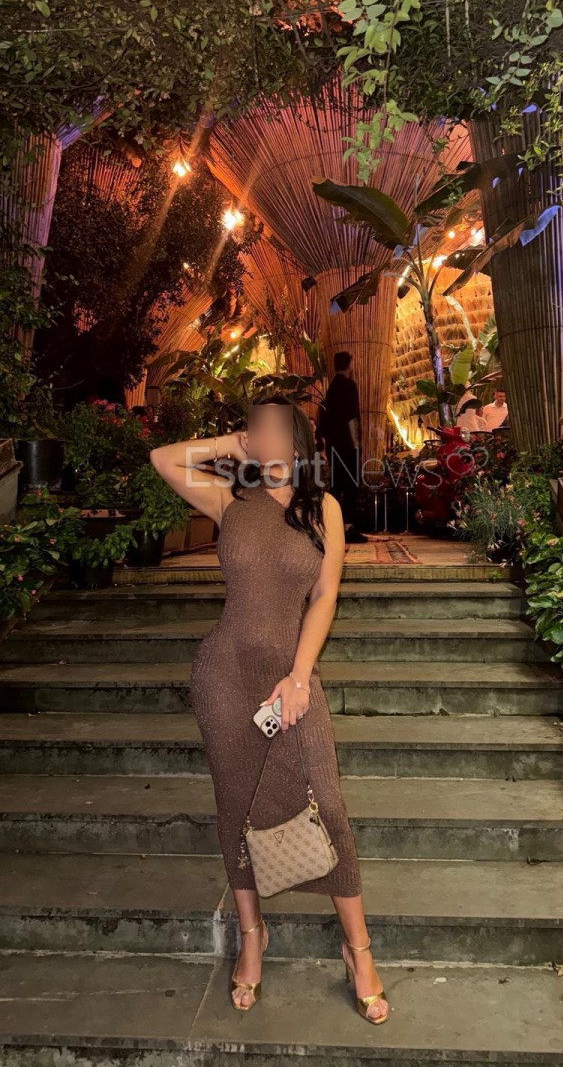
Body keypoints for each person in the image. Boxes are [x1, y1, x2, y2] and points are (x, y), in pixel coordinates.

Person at [149, 396, 389, 1024]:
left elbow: (325, 595)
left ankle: (358, 949)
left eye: (280, 427)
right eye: (258, 428)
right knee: (237, 807)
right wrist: (230, 445)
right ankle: (252, 936)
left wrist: (300, 676)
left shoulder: (323, 509)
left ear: (302, 440)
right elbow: (162, 458)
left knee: (327, 804)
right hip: (224, 674)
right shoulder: (230, 501)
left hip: (292, 676)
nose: (267, 436)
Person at [317, 351, 366, 544]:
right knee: (352, 486)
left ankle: (333, 526)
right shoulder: (348, 386)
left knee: (337, 486)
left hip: (333, 445)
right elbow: (351, 417)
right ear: (349, 365)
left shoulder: (330, 389)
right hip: (347, 445)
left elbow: (324, 421)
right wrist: (356, 443)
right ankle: (349, 527)